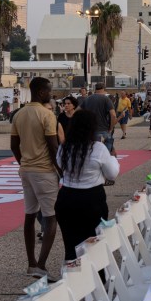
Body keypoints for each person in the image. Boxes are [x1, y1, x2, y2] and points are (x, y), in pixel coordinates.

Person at [54, 108, 120, 268]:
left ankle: (71, 281)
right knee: (94, 243)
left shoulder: (64, 147)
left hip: (67, 197)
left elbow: (60, 165)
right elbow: (112, 174)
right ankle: (96, 280)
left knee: (71, 244)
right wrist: (113, 159)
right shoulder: (97, 147)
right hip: (91, 199)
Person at [10, 77, 61, 281]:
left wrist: (23, 162)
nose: (51, 94)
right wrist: (63, 173)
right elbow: (54, 147)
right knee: (50, 217)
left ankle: (31, 263)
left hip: (27, 171)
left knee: (29, 215)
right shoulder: (47, 115)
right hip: (45, 172)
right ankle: (41, 265)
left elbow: (14, 146)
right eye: (49, 91)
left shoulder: (19, 115)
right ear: (41, 92)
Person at [81, 83, 118, 155]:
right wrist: (111, 128)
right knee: (106, 153)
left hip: (89, 130)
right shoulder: (106, 99)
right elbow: (113, 115)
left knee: (92, 152)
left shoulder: (87, 99)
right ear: (104, 89)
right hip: (103, 129)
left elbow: (77, 111)